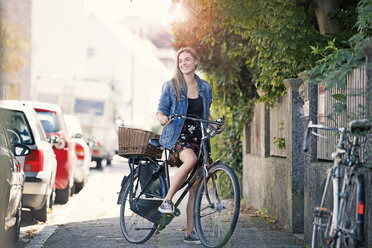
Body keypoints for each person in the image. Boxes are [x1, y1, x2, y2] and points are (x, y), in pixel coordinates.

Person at [156, 47, 221, 245]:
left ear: (195, 62)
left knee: (195, 187)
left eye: (187, 60)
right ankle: (167, 201)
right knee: (190, 160)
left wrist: (214, 124)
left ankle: (190, 233)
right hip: (177, 134)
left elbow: (204, 114)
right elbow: (160, 111)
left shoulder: (205, 88)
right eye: (180, 61)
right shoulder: (171, 86)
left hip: (198, 138)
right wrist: (162, 118)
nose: (183, 63)